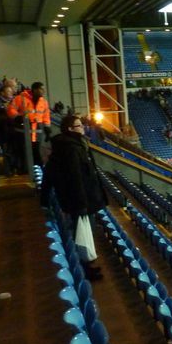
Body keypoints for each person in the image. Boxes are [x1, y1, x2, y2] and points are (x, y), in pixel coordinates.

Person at [41, 114, 108, 280]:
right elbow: (76, 177)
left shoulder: (66, 146)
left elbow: (49, 172)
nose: (83, 128)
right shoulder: (72, 148)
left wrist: (44, 197)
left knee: (83, 235)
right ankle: (84, 270)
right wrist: (82, 204)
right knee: (82, 236)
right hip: (80, 202)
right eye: (79, 126)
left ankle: (87, 267)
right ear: (70, 129)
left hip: (78, 201)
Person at [7, 81, 51, 170]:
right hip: (23, 130)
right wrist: (17, 117)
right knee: (24, 151)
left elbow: (46, 115)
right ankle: (24, 170)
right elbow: (11, 109)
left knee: (37, 151)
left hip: (37, 130)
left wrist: (47, 128)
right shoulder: (21, 98)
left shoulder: (44, 102)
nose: (43, 91)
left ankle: (37, 171)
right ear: (35, 90)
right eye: (41, 89)